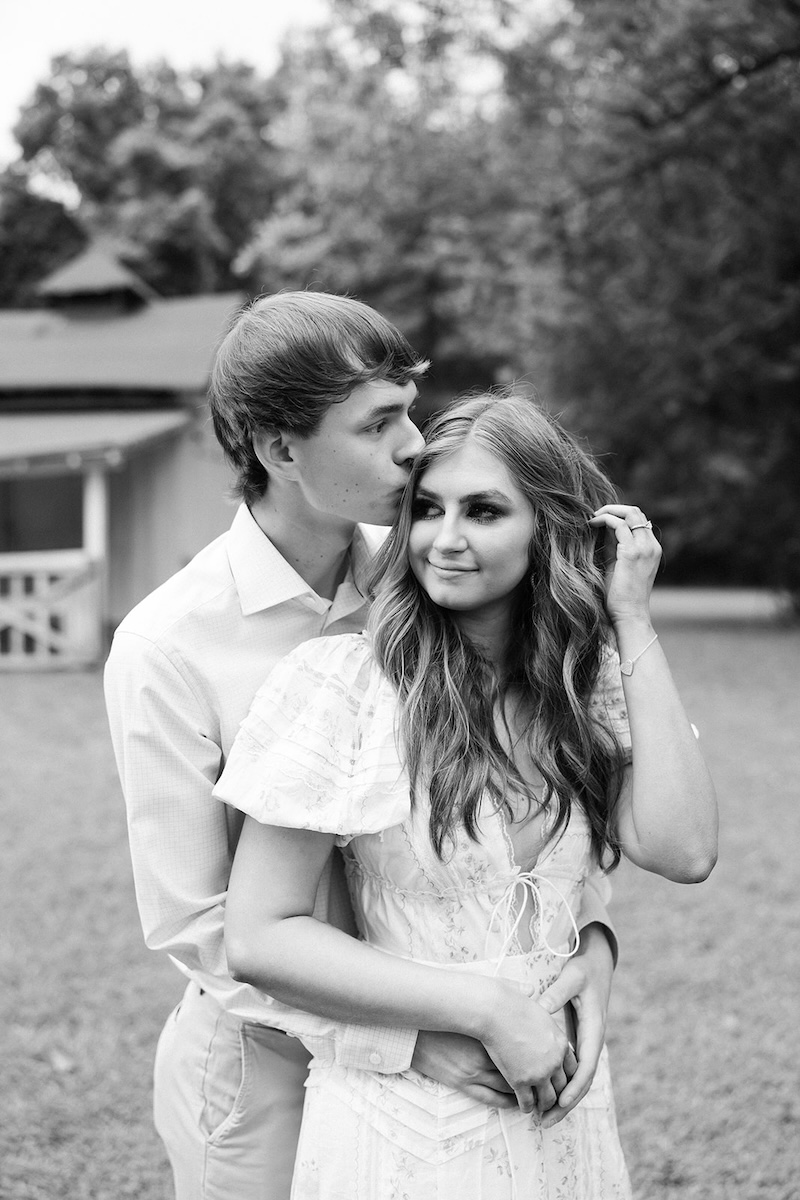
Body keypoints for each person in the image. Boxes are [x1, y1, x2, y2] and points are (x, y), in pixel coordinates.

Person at [105, 295, 621, 1200]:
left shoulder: (427, 570)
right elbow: (202, 925)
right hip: (263, 1069)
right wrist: (409, 1040)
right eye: (379, 423)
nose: (416, 444)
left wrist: (595, 943)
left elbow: (532, 784)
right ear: (279, 448)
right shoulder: (170, 647)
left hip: (461, 1061)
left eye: (409, 410)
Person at [214, 391, 718, 1199]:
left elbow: (683, 850)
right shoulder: (341, 687)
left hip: (564, 1115)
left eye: (483, 511)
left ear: (546, 529)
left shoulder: (586, 691)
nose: (444, 541)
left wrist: (628, 620)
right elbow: (261, 936)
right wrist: (486, 1009)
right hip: (403, 1124)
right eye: (428, 510)